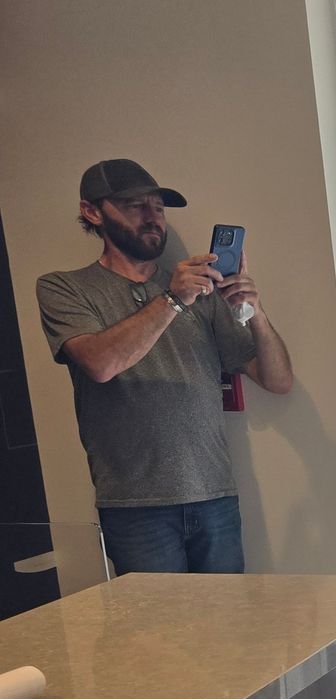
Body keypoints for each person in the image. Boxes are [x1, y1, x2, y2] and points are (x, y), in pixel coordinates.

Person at [36, 159, 293, 573]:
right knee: (157, 636)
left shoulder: (200, 290)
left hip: (214, 495)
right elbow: (101, 364)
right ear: (92, 212)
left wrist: (256, 311)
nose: (153, 218)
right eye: (136, 206)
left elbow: (278, 381)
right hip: (136, 506)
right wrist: (173, 300)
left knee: (230, 632)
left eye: (158, 207)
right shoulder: (64, 288)